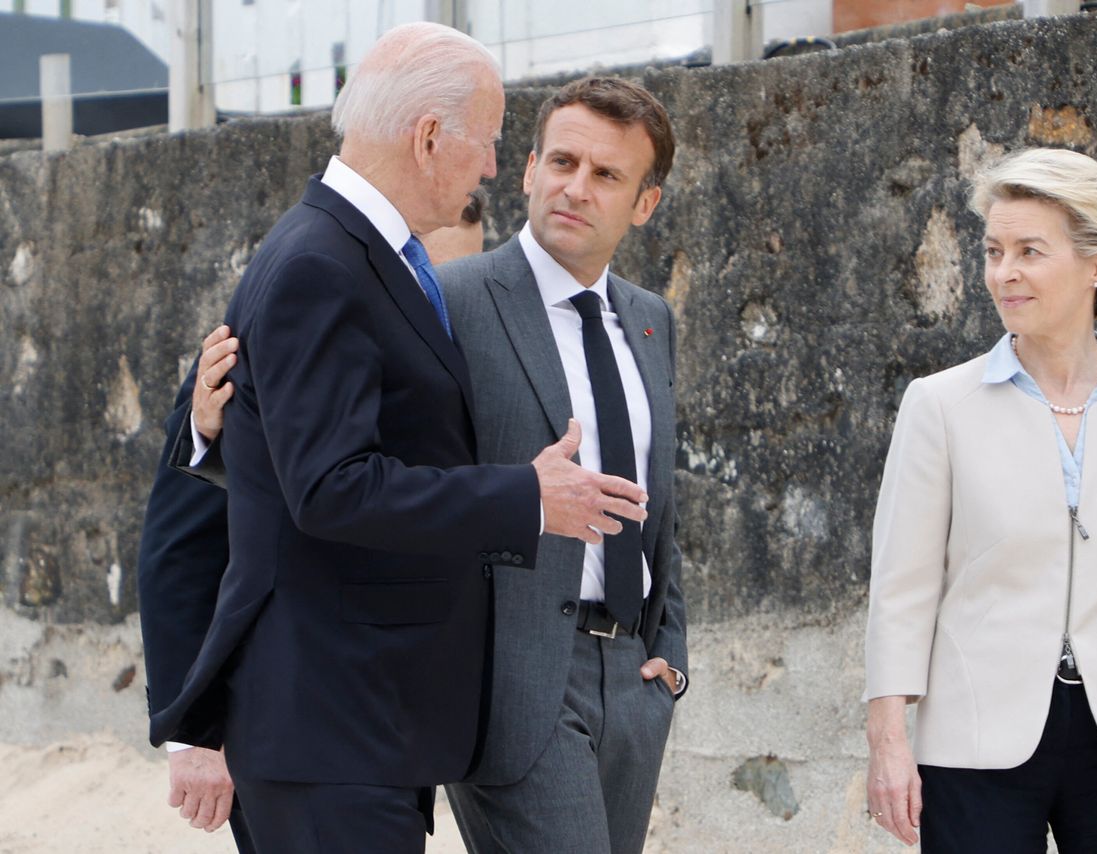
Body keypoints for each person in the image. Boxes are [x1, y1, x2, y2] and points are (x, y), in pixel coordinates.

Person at [140, 24, 648, 854]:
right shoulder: (320, 264)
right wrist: (526, 496)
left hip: (366, 729)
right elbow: (331, 487)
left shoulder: (361, 255)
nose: (492, 166)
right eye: (486, 142)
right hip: (332, 731)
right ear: (428, 137)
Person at [863, 147, 1097, 852]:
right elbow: (901, 588)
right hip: (974, 743)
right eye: (993, 251)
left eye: (1029, 252)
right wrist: (889, 738)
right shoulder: (940, 405)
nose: (1003, 273)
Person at [136, 194, 491, 844]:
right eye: (423, 277)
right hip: (292, 722)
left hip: (389, 723)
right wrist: (193, 733)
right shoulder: (274, 333)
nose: (431, 302)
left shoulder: (442, 359)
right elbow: (179, 544)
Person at [438, 76, 686, 854]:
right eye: (562, 162)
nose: (576, 188)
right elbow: (396, 484)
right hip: (513, 682)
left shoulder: (649, 320)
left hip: (632, 679)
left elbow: (661, 500)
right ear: (528, 170)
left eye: (606, 175)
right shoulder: (451, 299)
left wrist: (668, 653)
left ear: (644, 203)